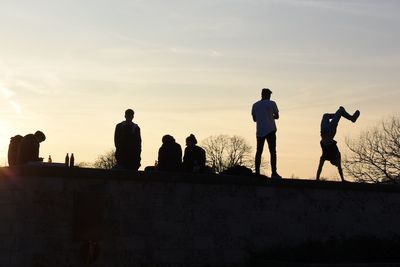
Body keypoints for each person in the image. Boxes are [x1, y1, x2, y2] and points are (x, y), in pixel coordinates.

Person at [316, 106, 360, 182]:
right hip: (330, 131)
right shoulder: (336, 155)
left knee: (325, 115)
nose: (338, 162)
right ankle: (348, 117)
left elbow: (320, 167)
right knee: (341, 110)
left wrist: (317, 179)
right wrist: (343, 179)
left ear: (333, 161)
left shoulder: (325, 156)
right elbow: (339, 168)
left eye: (336, 163)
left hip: (323, 130)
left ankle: (341, 115)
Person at [252, 88, 281, 178]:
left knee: (259, 152)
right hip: (271, 130)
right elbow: (277, 116)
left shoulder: (255, 105)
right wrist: (270, 116)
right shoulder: (272, 103)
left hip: (260, 131)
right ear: (268, 95)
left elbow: (254, 119)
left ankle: (257, 172)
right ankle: (274, 172)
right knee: (273, 152)